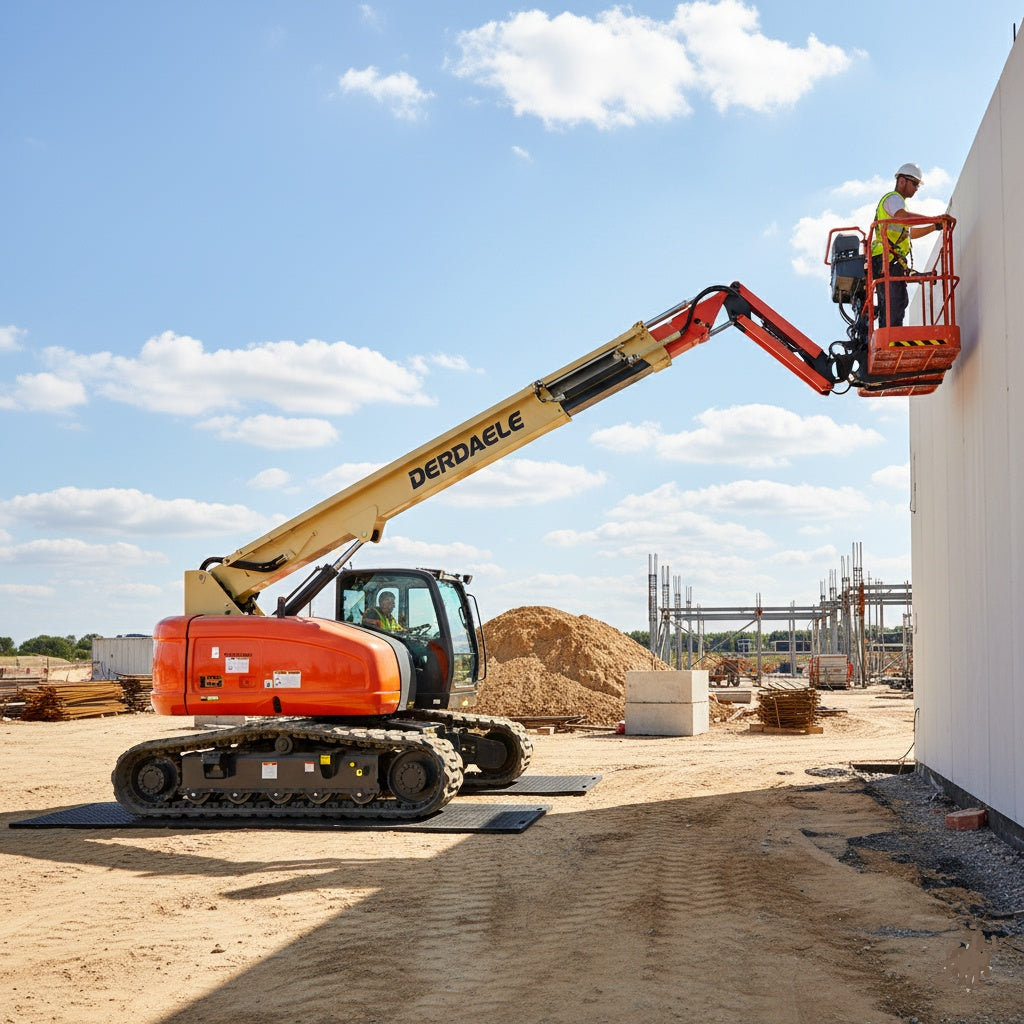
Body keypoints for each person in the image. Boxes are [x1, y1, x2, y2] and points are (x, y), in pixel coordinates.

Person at [871, 163, 948, 328]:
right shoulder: (893, 199)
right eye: (914, 183)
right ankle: (890, 338)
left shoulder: (899, 204)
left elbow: (908, 234)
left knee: (898, 301)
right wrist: (933, 219)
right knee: (895, 302)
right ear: (901, 181)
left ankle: (890, 335)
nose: (916, 188)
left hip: (890, 259)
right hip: (887, 259)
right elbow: (902, 218)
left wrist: (934, 227)